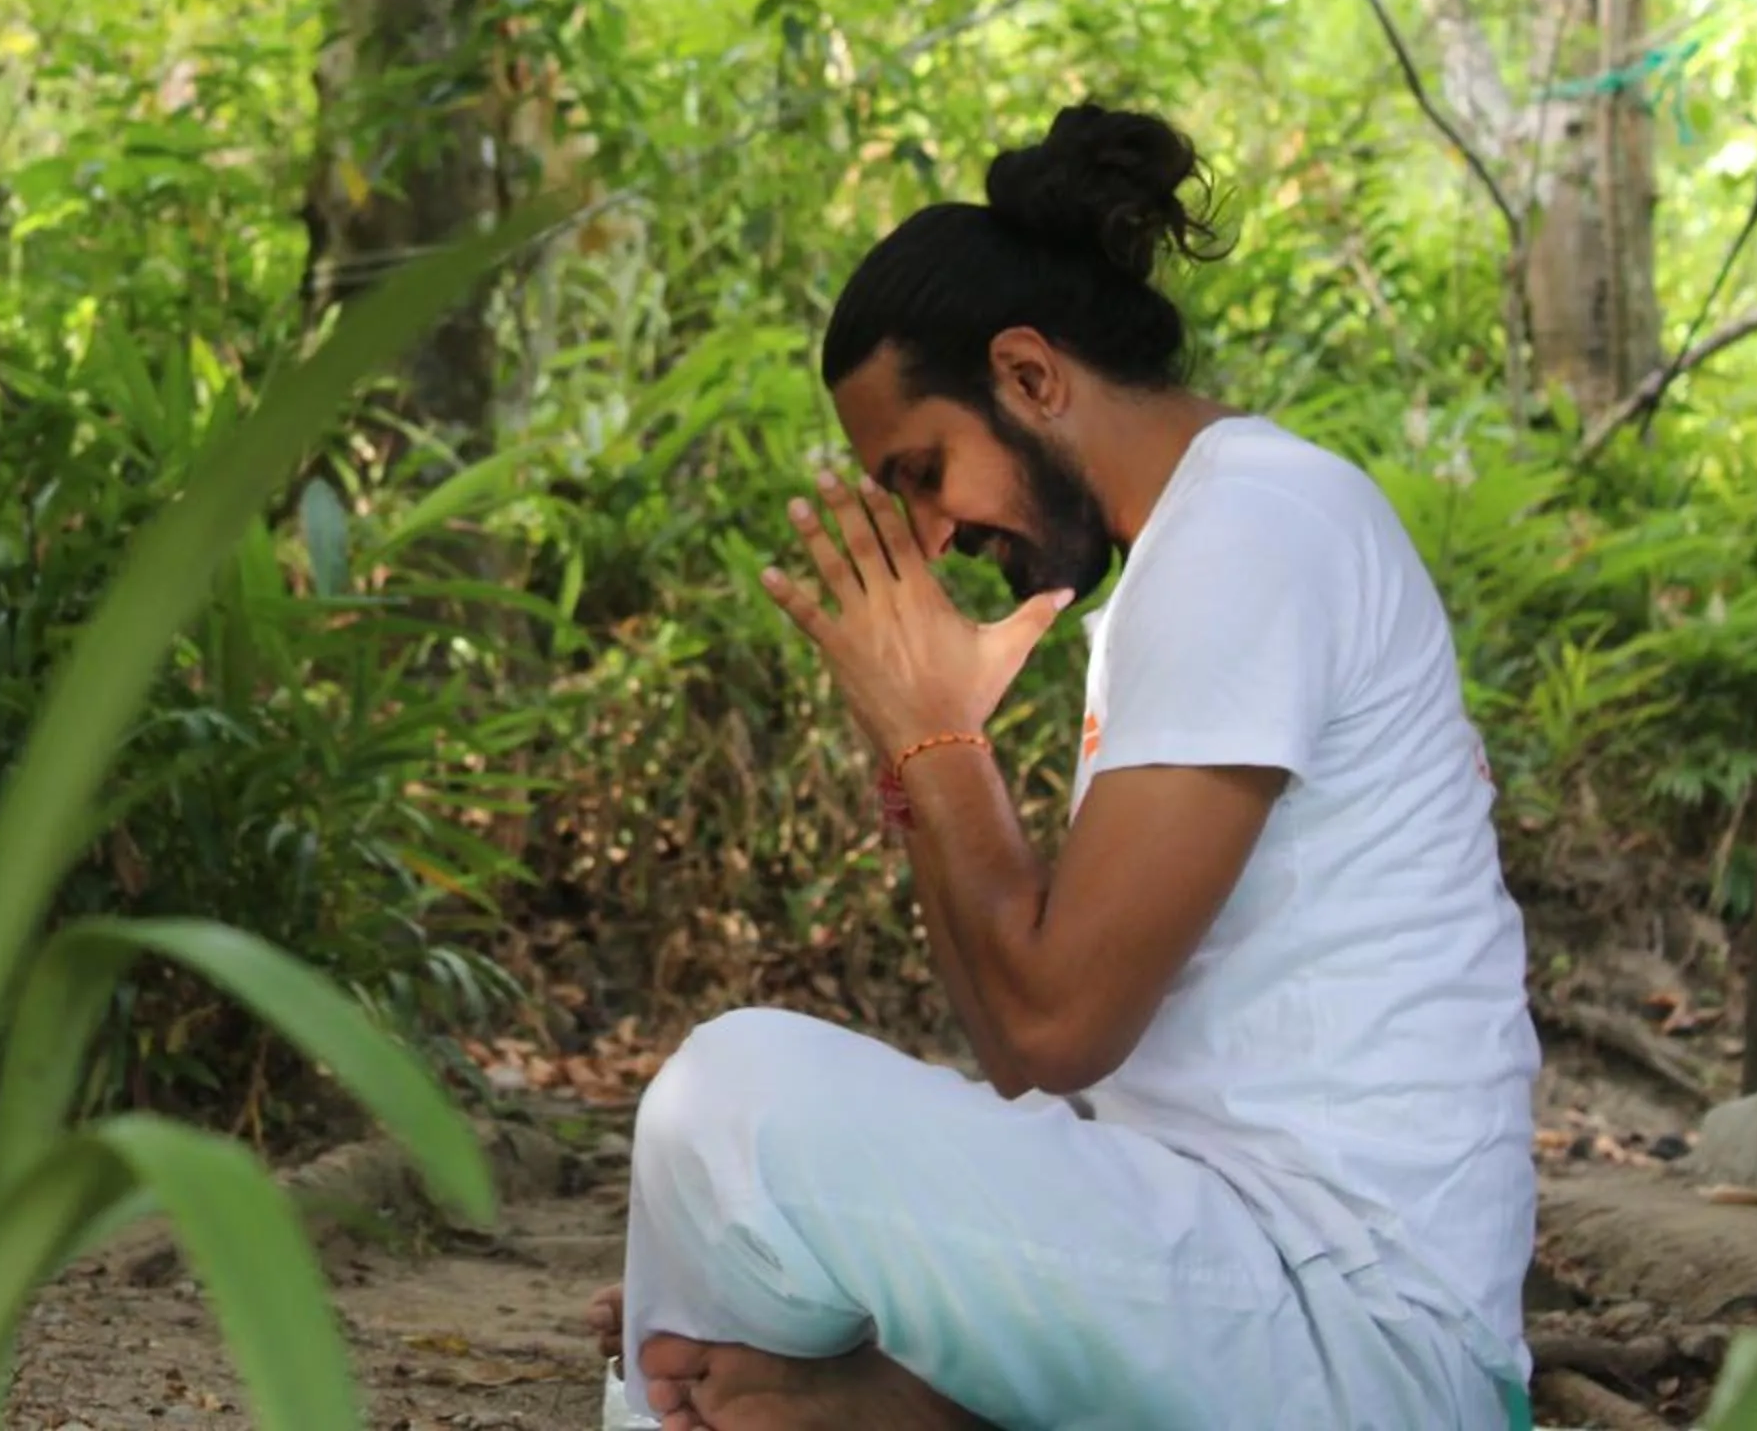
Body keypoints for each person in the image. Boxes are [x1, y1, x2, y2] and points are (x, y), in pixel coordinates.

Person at [586, 104, 1540, 1431]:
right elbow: (1032, 1064)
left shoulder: (1252, 528)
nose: (933, 537)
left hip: (1355, 1330)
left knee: (722, 1101)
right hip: (1238, 1272)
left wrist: (942, 742)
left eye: (923, 473)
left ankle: (855, 1392)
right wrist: (933, 780)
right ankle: (839, 1384)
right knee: (723, 1242)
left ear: (1030, 377)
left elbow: (1054, 1023)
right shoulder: (1184, 570)